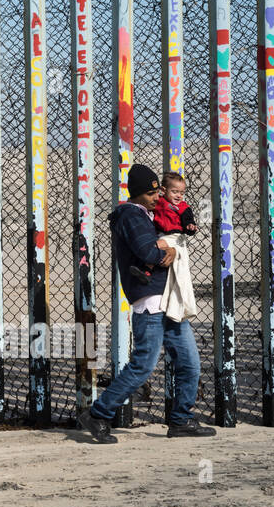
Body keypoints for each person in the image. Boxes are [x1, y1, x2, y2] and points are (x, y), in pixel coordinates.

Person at [77, 163, 215, 443]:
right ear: (138, 193)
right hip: (151, 301)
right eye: (151, 194)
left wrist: (171, 248)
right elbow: (147, 252)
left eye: (158, 192)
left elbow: (161, 247)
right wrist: (167, 248)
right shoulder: (131, 215)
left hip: (168, 301)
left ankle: (181, 419)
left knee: (189, 363)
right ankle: (98, 414)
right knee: (142, 365)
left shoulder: (146, 216)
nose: (157, 197)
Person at [152, 170, 198, 236]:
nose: (179, 196)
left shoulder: (182, 207)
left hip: (175, 235)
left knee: (158, 244)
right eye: (174, 192)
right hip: (158, 233)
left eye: (182, 193)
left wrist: (190, 226)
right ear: (163, 190)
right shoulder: (157, 201)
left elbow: (188, 220)